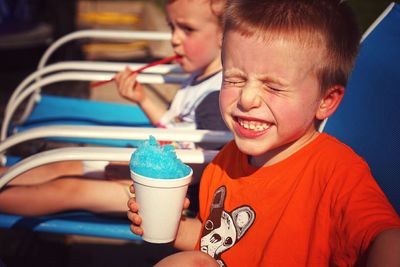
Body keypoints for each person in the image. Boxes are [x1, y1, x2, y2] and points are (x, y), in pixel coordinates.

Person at [127, 0, 400, 266]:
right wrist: (171, 226)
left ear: (325, 101)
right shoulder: (227, 161)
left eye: (273, 87)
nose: (247, 99)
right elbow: (211, 239)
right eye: (234, 78)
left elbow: (387, 239)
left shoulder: (336, 173)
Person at [0, 0, 227, 216]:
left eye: (187, 29)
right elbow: (175, 128)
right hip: (150, 172)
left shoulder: (218, 96)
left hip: (168, 193)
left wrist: (133, 172)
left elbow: (206, 167)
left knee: (70, 190)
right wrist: (142, 98)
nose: (174, 39)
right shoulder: (199, 75)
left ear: (224, 34)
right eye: (172, 27)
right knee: (63, 166)